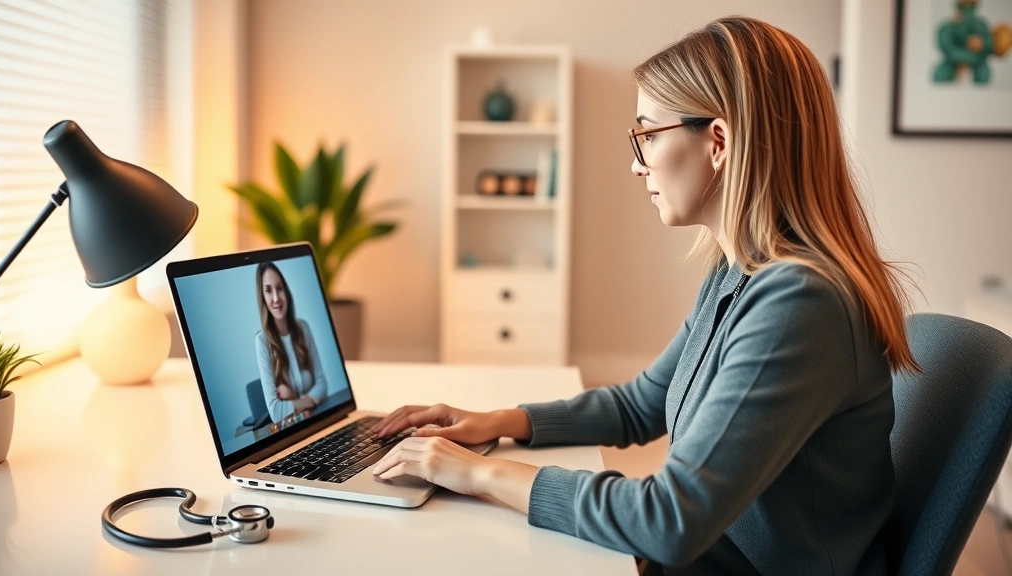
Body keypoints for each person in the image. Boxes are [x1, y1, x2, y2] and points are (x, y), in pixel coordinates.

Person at [371, 16, 919, 575]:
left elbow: (671, 520)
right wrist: (496, 422)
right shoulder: (740, 273)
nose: (637, 165)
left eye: (647, 135)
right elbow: (643, 404)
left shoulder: (800, 304)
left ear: (719, 142)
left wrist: (476, 473)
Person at [254, 262, 328, 423]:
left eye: (279, 288)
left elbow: (322, 385)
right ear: (262, 298)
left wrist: (293, 398)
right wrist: (309, 400)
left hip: (314, 423)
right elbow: (275, 412)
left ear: (286, 291)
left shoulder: (302, 328)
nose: (275, 298)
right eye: (268, 290)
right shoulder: (262, 342)